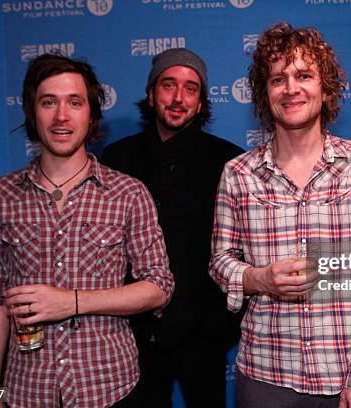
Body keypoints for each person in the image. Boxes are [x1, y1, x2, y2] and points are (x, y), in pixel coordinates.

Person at [0, 54, 174, 408]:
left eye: (75, 102)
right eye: (48, 102)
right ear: (32, 113)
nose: (61, 116)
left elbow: (159, 288)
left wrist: (72, 302)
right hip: (28, 391)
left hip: (108, 387)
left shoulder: (128, 193)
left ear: (92, 114)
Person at [209, 22, 351, 408]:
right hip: (265, 373)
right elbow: (220, 263)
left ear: (325, 88)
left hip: (341, 374)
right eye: (278, 79)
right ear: (264, 93)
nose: (291, 89)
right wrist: (258, 278)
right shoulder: (238, 174)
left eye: (304, 75)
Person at [101, 48, 244, 407]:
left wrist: (220, 325)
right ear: (151, 94)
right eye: (168, 85)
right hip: (133, 330)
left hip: (203, 331)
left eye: (190, 89)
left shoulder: (228, 161)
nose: (178, 98)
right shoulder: (116, 159)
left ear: (200, 103)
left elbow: (241, 248)